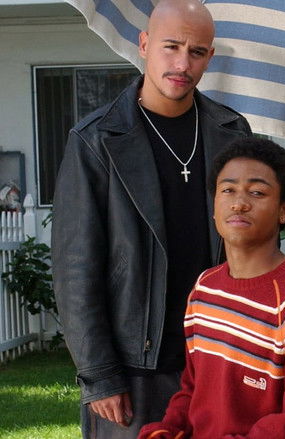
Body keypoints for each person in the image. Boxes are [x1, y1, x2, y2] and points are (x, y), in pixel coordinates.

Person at [51, 0, 252, 437]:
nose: (182, 64)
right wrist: (99, 374)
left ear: (210, 57)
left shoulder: (232, 132)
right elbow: (74, 268)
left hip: (218, 358)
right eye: (171, 46)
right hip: (133, 369)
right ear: (144, 45)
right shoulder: (97, 139)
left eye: (196, 52)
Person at [137, 138, 285, 438]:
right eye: (228, 190)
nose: (239, 203)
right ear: (214, 207)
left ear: (284, 211)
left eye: (257, 192)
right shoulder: (205, 289)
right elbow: (193, 388)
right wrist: (168, 429)